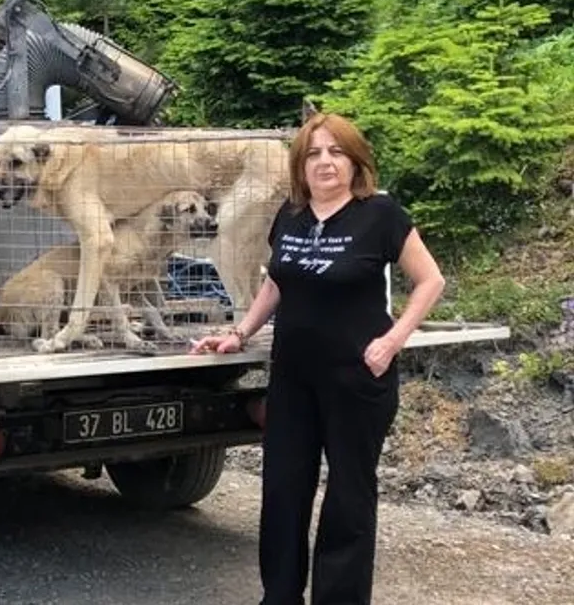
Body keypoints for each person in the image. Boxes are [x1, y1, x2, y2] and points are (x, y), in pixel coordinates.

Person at [190, 107, 445, 605]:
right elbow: (277, 283)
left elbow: (430, 280)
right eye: (313, 154)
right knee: (283, 489)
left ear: (355, 161)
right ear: (300, 165)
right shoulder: (290, 216)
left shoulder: (381, 215)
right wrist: (239, 333)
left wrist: (392, 341)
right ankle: (280, 596)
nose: (325, 162)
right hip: (294, 376)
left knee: (349, 495)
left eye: (336, 152)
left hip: (358, 377)